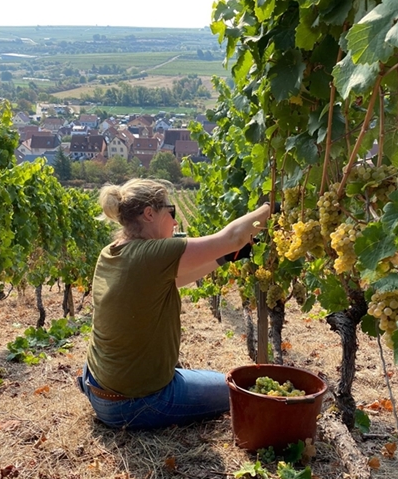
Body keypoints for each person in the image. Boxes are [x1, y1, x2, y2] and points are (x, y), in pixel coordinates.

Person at [77, 178, 271, 430]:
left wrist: (225, 258)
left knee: (209, 380)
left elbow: (175, 279)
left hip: (97, 385)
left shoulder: (113, 251)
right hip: (133, 404)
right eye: (171, 212)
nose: (176, 221)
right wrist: (271, 206)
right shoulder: (154, 254)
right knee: (237, 388)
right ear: (149, 214)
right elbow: (233, 236)